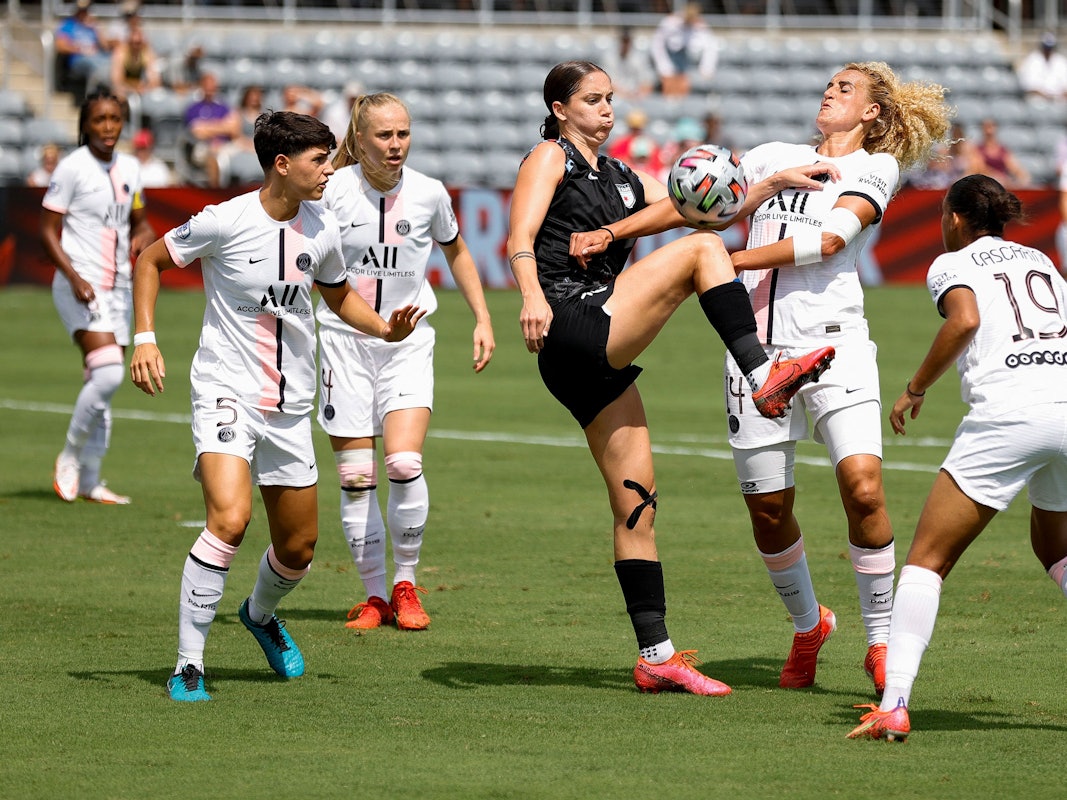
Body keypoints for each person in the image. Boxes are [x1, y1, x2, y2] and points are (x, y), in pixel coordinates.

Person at [574, 61, 951, 696]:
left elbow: (832, 241)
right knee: (770, 510)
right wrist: (612, 231)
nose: (830, 90)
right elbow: (696, 204)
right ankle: (809, 626)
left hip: (836, 346)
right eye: (829, 82)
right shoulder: (772, 156)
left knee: (863, 490)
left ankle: (881, 642)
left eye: (846, 88)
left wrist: (721, 263)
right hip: (754, 351)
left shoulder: (876, 169)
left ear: (872, 114)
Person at [508, 61, 836, 696]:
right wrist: (530, 296)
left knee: (638, 504)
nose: (606, 110)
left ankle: (656, 654)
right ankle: (764, 372)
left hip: (588, 351)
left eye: (610, 100)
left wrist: (769, 184)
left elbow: (698, 209)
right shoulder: (549, 157)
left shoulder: (621, 177)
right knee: (702, 254)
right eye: (592, 101)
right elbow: (519, 236)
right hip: (570, 317)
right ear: (558, 108)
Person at [129, 110, 424, 702]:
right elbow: (150, 261)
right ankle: (189, 664)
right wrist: (144, 338)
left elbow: (338, 293)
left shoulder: (323, 226)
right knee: (230, 521)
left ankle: (259, 616)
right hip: (225, 390)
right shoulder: (225, 219)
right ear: (282, 165)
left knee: (297, 549)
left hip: (290, 405)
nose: (329, 170)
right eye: (320, 161)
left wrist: (385, 331)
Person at [848, 174, 1067, 741]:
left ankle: (894, 702)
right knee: (1055, 546)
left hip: (1009, 415)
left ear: (953, 219)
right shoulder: (1040, 259)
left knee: (925, 562)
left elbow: (964, 320)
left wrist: (916, 387)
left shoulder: (953, 262)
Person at [318, 92, 495, 631]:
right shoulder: (329, 194)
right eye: (384, 135)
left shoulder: (429, 194)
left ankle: (407, 585)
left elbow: (457, 250)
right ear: (360, 137)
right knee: (356, 473)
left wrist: (482, 318)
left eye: (403, 134)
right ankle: (374, 596)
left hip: (409, 342)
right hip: (342, 343)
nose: (396, 145)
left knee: (403, 463)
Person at [42, 87, 155, 505]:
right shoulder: (72, 168)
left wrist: (142, 237)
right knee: (108, 373)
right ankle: (69, 458)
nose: (108, 127)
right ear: (85, 125)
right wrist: (72, 275)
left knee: (103, 383)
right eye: (99, 120)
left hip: (120, 287)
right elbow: (45, 231)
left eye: (114, 119)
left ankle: (90, 479)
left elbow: (139, 221)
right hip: (80, 285)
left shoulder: (130, 167)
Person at [649, 3, 718, 97]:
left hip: (686, 64)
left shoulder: (700, 26)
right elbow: (657, 45)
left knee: (683, 88)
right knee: (669, 88)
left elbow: (711, 47)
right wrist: (664, 67)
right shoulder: (670, 22)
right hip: (669, 60)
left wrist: (706, 68)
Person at [181, 71, 235, 187]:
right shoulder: (193, 108)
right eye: (207, 85)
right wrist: (219, 126)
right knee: (212, 158)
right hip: (200, 147)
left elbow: (232, 128)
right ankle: (216, 192)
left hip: (223, 146)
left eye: (212, 85)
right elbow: (196, 131)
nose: (210, 88)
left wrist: (207, 127)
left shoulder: (223, 107)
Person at [53, 0, 113, 94]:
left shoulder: (92, 25)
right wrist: (81, 49)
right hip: (78, 60)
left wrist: (96, 27)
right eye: (81, 10)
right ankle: (91, 99)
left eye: (86, 10)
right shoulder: (68, 24)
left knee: (113, 61)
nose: (83, 12)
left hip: (98, 57)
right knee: (97, 66)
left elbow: (105, 46)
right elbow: (60, 46)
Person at [108, 24, 161, 114]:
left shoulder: (148, 53)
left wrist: (145, 87)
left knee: (157, 97)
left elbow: (155, 80)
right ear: (128, 42)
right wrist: (133, 87)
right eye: (133, 43)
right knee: (119, 96)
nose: (136, 46)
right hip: (125, 88)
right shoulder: (120, 52)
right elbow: (116, 80)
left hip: (141, 88)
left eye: (138, 43)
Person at [967, 117, 1030, 190]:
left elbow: (1013, 166)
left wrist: (1022, 177)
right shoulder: (977, 149)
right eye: (986, 126)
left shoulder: (1003, 149)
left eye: (991, 126)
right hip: (985, 183)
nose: (989, 130)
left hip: (1001, 183)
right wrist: (995, 176)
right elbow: (978, 167)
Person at [601, 27, 654, 101]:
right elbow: (608, 82)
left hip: (636, 97)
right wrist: (625, 95)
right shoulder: (609, 57)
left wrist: (639, 96)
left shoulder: (639, 58)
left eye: (627, 41)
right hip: (615, 98)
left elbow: (647, 81)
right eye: (623, 41)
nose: (625, 45)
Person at [606, 108, 663, 176]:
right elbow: (612, 164)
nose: (636, 131)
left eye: (638, 128)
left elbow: (657, 168)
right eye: (634, 128)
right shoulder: (619, 144)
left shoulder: (651, 144)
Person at [1017, 32, 1067, 103]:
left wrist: (1058, 97)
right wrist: (1047, 97)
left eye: (1050, 48)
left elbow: (1065, 87)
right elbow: (1029, 87)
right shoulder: (1032, 60)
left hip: (1059, 100)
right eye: (1046, 48)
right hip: (1038, 101)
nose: (1048, 51)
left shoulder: (1061, 61)